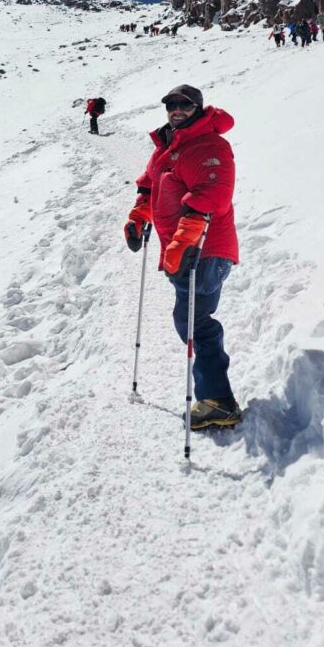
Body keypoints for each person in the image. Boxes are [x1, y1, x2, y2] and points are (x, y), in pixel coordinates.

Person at [123, 84, 240, 429]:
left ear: (199, 108)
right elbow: (150, 183)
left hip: (206, 249)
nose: (176, 111)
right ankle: (216, 397)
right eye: (171, 105)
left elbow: (213, 194)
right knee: (190, 319)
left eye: (184, 105)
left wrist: (185, 240)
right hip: (185, 250)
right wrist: (138, 216)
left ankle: (219, 401)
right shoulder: (169, 145)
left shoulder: (209, 144)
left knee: (195, 322)